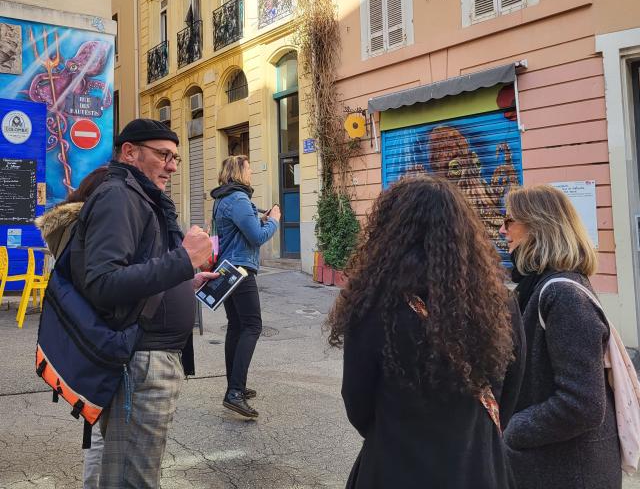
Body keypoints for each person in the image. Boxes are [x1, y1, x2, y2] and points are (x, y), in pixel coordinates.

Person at [328, 175, 525, 489]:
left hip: (393, 468)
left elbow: (357, 403)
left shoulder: (372, 308)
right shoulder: (501, 304)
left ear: (389, 234)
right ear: (464, 234)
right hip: (477, 468)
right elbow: (511, 392)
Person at [68, 118, 216, 489]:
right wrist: (183, 260)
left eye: (176, 158)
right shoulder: (119, 196)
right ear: (130, 153)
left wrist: (184, 279)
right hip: (141, 361)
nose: (172, 166)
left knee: (135, 475)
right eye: (163, 155)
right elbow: (103, 282)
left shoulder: (138, 196)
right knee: (133, 480)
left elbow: (138, 270)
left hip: (150, 359)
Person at [500, 185, 622, 489]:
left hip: (569, 470)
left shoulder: (562, 294)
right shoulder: (540, 287)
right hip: (551, 464)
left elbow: (582, 404)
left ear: (538, 227)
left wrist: (513, 430)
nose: (502, 230)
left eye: (509, 220)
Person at [35, 166, 109, 489]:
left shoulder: (68, 228)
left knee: (96, 426)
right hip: (97, 337)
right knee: (102, 429)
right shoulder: (88, 229)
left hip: (80, 337)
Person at [210, 155, 280, 418]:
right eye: (249, 168)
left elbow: (236, 231)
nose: (251, 172)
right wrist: (273, 220)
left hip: (226, 269)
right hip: (240, 270)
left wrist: (259, 217)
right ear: (239, 172)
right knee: (252, 326)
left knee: (237, 327)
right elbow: (257, 236)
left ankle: (234, 385)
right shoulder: (238, 199)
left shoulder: (222, 200)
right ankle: (235, 392)